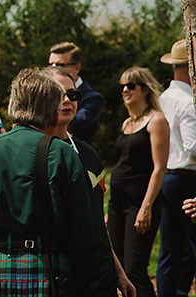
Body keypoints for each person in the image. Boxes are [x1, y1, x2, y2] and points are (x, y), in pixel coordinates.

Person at [0, 68, 118, 297]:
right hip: (43, 268)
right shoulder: (61, 154)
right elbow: (86, 231)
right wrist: (102, 286)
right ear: (53, 113)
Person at [46, 65, 134, 297]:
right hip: (54, 274)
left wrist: (119, 272)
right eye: (58, 94)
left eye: (72, 95)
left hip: (93, 274)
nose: (67, 100)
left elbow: (95, 220)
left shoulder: (88, 154)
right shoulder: (35, 153)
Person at [107, 67, 169, 297]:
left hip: (139, 203)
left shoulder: (156, 120)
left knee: (135, 269)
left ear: (144, 89)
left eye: (131, 85)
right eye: (122, 86)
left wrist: (146, 207)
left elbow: (159, 167)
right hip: (117, 205)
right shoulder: (127, 123)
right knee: (118, 268)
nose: (125, 90)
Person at [155, 40, 196, 297]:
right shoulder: (187, 102)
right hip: (188, 179)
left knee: (170, 250)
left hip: (167, 177)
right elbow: (193, 146)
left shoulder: (163, 98)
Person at [48, 42, 105, 145]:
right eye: (50, 65)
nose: (53, 70)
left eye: (60, 65)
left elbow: (73, 125)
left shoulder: (93, 98)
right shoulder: (43, 94)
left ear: (77, 68)